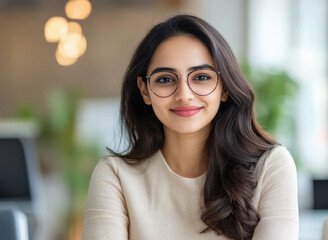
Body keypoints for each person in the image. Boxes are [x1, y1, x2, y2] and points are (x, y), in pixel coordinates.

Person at [81, 14, 298, 240]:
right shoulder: (115, 176)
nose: (184, 95)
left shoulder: (271, 166)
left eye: (201, 77)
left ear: (224, 88)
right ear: (144, 90)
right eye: (165, 79)